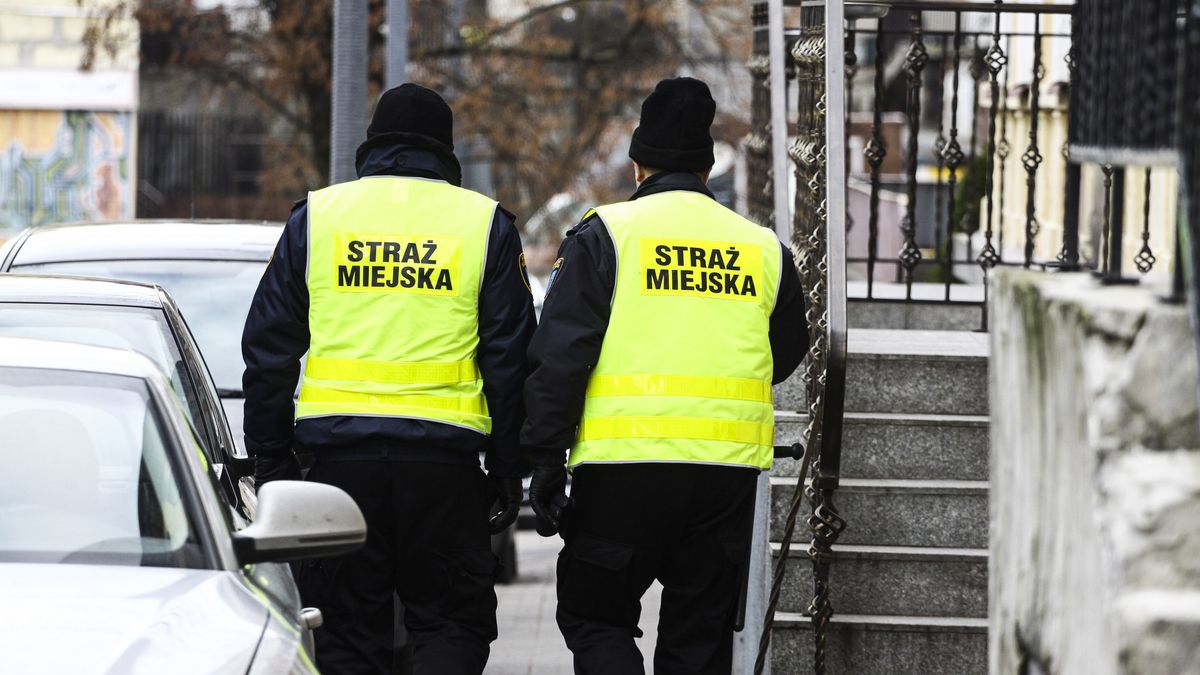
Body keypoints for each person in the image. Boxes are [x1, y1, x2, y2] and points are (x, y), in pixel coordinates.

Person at [241, 83, 535, 675]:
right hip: (445, 474)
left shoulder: (319, 217)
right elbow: (511, 362)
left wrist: (273, 464)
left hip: (336, 473)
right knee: (450, 625)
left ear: (372, 145)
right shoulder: (482, 224)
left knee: (345, 636)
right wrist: (508, 471)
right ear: (444, 151)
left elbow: (268, 351)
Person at [521, 77, 808, 675]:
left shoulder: (607, 235)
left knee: (597, 619)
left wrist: (544, 462)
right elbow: (783, 356)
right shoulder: (762, 248)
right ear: (708, 169)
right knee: (699, 639)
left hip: (621, 472)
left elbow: (559, 357)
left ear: (637, 165)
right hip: (723, 477)